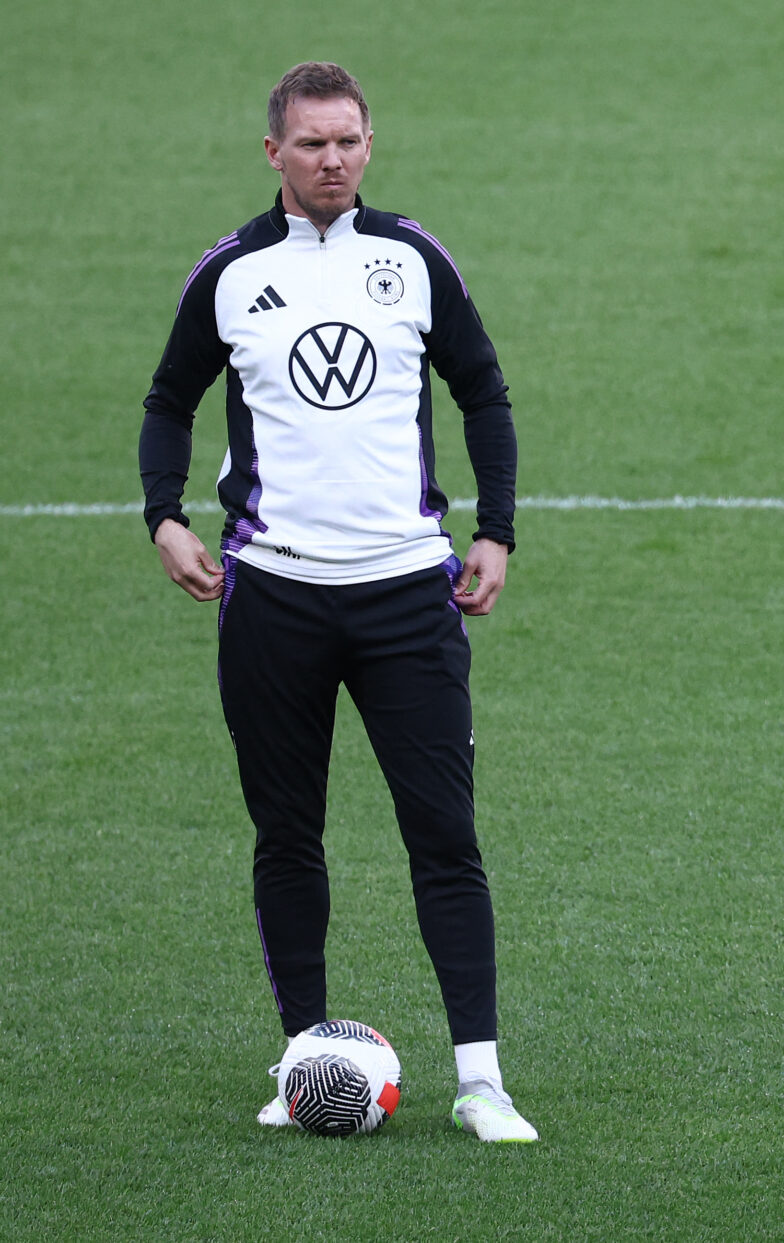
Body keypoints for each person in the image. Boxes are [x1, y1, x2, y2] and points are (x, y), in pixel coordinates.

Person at [139, 61, 536, 1142]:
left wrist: (494, 529)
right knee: (287, 835)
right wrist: (163, 515)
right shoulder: (227, 273)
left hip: (409, 594)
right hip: (273, 597)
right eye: (312, 143)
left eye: (349, 141)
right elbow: (170, 397)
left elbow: (484, 390)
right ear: (274, 152)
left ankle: (482, 1080)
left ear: (370, 143)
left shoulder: (410, 259)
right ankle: (304, 1056)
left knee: (444, 834)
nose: (333, 160)